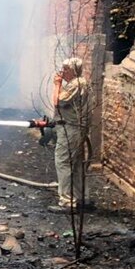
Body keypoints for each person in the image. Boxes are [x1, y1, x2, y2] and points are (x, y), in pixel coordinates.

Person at [52, 57, 90, 210]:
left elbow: (57, 102)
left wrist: (57, 84)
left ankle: (67, 202)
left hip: (71, 129)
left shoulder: (76, 84)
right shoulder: (80, 83)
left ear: (73, 70)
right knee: (76, 164)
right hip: (75, 128)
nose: (62, 72)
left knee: (63, 162)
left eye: (65, 69)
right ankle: (81, 198)